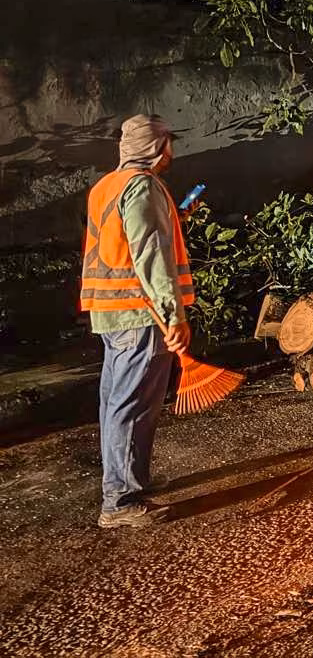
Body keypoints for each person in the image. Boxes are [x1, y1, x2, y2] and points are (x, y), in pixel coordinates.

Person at [80, 114, 194, 528]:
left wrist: (176, 216)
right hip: (140, 313)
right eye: (168, 143)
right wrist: (172, 314)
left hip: (111, 312)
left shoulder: (106, 185)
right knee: (132, 406)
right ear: (157, 147)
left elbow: (121, 243)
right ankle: (120, 501)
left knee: (116, 402)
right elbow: (149, 253)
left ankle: (124, 483)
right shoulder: (142, 186)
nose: (171, 151)